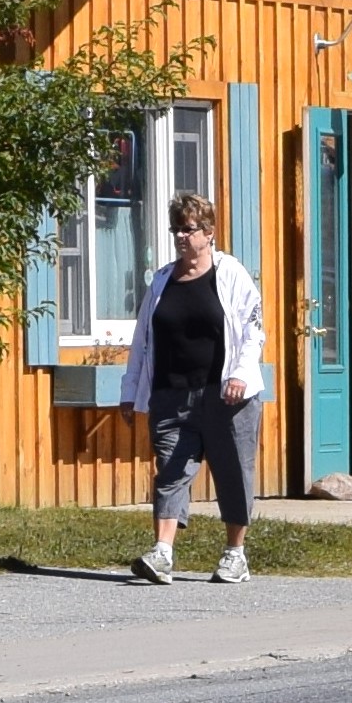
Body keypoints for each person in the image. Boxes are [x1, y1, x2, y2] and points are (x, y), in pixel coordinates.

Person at [119, 189, 265, 583]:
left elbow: (253, 332)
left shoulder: (230, 274)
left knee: (233, 471)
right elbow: (142, 339)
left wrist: (239, 374)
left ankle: (236, 553)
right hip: (171, 395)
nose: (182, 237)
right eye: (176, 230)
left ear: (209, 232)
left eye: (189, 229)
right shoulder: (163, 281)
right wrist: (131, 392)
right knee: (170, 471)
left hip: (225, 397)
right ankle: (162, 553)